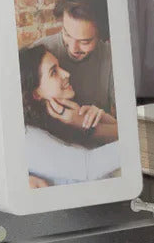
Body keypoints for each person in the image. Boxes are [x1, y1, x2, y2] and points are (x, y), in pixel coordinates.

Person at [18, 43, 118, 187]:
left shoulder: (61, 119)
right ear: (36, 94)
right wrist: (136, 141)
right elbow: (89, 167)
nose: (66, 74)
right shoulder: (28, 138)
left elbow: (118, 137)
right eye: (54, 72)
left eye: (59, 67)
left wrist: (101, 121)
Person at [40, 0, 116, 118]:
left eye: (84, 42)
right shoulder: (41, 52)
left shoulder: (112, 56)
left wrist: (105, 121)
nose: (73, 48)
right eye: (67, 34)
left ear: (101, 35)